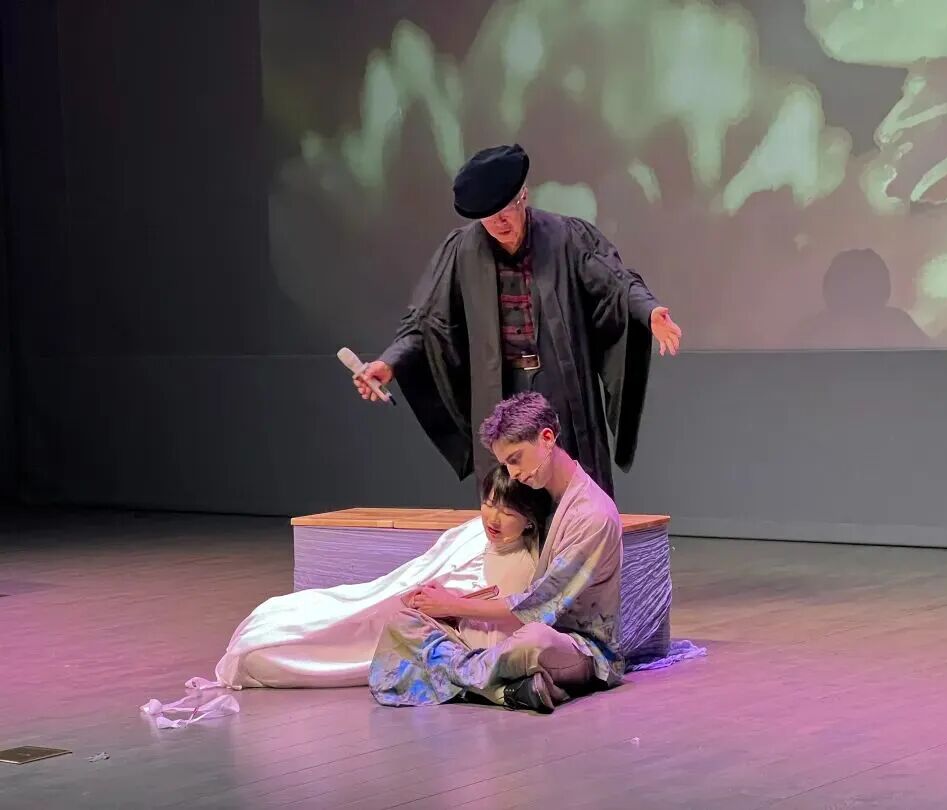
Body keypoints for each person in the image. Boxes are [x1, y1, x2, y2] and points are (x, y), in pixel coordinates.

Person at [353, 143, 682, 496]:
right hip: (499, 389)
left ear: (523, 195)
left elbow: (614, 282)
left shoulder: (565, 238)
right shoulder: (463, 251)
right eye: (489, 215)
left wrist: (648, 311)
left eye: (506, 209)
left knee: (572, 485)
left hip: (560, 384)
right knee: (507, 497)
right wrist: (389, 363)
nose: (500, 222)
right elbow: (426, 322)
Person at [368, 391, 623, 714]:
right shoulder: (542, 495)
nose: (513, 473)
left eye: (515, 459)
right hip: (514, 634)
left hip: (575, 647)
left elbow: (538, 605)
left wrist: (453, 605)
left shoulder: (592, 515)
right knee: (402, 623)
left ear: (547, 438)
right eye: (506, 464)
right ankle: (505, 691)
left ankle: (467, 680)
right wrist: (452, 605)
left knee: (534, 641)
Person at [203, 466, 551, 689]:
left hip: (427, 629)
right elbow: (416, 572)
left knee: (276, 656)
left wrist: (447, 606)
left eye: (508, 512)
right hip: (397, 602)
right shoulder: (474, 532)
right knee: (308, 615)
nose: (493, 518)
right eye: (489, 503)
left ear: (529, 520)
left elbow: (499, 624)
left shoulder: (523, 564)